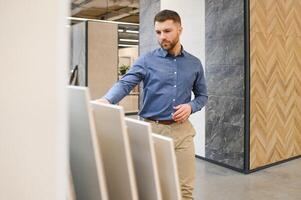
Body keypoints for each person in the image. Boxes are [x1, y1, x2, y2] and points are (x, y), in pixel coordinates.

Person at [97, 9, 208, 200]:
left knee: (185, 190)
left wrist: (191, 106)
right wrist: (106, 100)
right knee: (152, 188)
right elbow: (125, 83)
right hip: (152, 131)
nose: (162, 37)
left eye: (167, 31)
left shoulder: (194, 63)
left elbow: (202, 96)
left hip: (182, 133)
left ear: (180, 29)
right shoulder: (146, 60)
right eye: (158, 32)